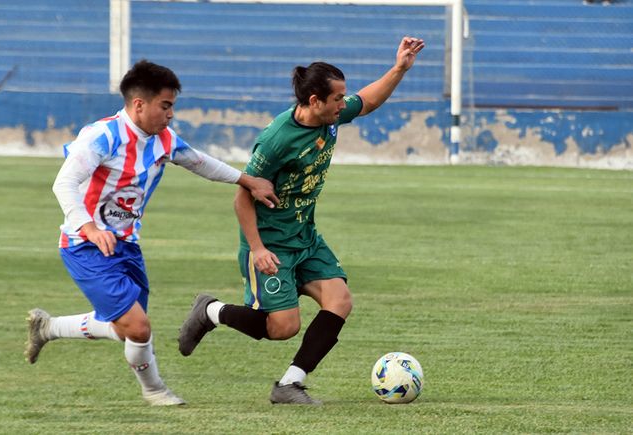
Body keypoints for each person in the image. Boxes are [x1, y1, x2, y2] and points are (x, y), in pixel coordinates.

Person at [178, 37, 425, 405]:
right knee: (283, 328)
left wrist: (399, 68)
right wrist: (258, 248)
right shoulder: (277, 140)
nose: (344, 105)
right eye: (338, 99)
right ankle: (211, 311)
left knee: (339, 300)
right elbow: (241, 197)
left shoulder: (332, 115)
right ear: (314, 101)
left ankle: (289, 385)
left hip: (305, 236)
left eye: (343, 98)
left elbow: (369, 100)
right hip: (271, 241)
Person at [24, 60, 278, 406]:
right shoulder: (104, 137)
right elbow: (64, 182)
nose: (171, 114)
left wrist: (247, 180)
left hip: (126, 246)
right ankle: (155, 390)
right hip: (84, 245)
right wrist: (90, 228)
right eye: (166, 105)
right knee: (139, 328)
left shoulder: (164, 140)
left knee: (123, 329)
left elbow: (200, 162)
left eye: (172, 106)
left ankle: (48, 328)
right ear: (139, 104)